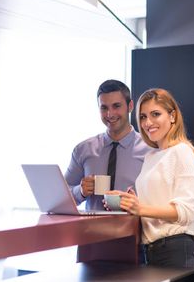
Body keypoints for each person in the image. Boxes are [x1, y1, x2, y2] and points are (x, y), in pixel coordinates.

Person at [106, 88, 194, 282]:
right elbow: (152, 202)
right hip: (152, 253)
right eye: (143, 117)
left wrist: (139, 208)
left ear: (172, 116)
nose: (148, 123)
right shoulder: (152, 156)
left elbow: (188, 211)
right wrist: (128, 200)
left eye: (155, 114)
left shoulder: (182, 152)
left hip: (178, 253)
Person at [64, 79, 151, 211]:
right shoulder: (83, 150)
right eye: (104, 108)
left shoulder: (151, 149)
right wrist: (80, 191)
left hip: (136, 229)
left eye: (116, 106)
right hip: (91, 230)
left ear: (130, 106)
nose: (110, 114)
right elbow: (61, 197)